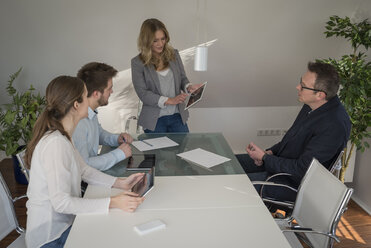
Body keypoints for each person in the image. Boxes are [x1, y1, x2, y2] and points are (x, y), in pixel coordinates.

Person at [24, 76, 144, 248]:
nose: (89, 102)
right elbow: (62, 203)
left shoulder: (63, 136)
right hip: (51, 237)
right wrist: (113, 202)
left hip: (65, 225)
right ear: (76, 105)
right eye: (86, 96)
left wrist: (121, 183)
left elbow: (84, 170)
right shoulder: (56, 143)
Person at [236, 62, 351, 203]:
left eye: (302, 86)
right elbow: (289, 139)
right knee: (231, 164)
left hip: (292, 184)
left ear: (319, 95)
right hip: (281, 167)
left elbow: (302, 169)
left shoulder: (334, 125)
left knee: (234, 185)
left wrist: (266, 159)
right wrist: (269, 153)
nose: (298, 87)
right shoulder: (312, 105)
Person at [131, 18, 202, 133]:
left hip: (177, 116)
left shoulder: (174, 54)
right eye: (155, 40)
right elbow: (143, 94)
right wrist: (169, 100)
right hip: (154, 120)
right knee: (158, 151)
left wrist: (188, 87)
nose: (160, 44)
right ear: (146, 41)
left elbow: (182, 78)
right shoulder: (137, 63)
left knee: (182, 150)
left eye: (163, 39)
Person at [72, 62, 134, 171]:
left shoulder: (91, 112)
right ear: (96, 94)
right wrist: (119, 154)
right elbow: (85, 164)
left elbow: (98, 133)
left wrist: (117, 139)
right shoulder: (79, 122)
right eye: (109, 89)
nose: (112, 92)